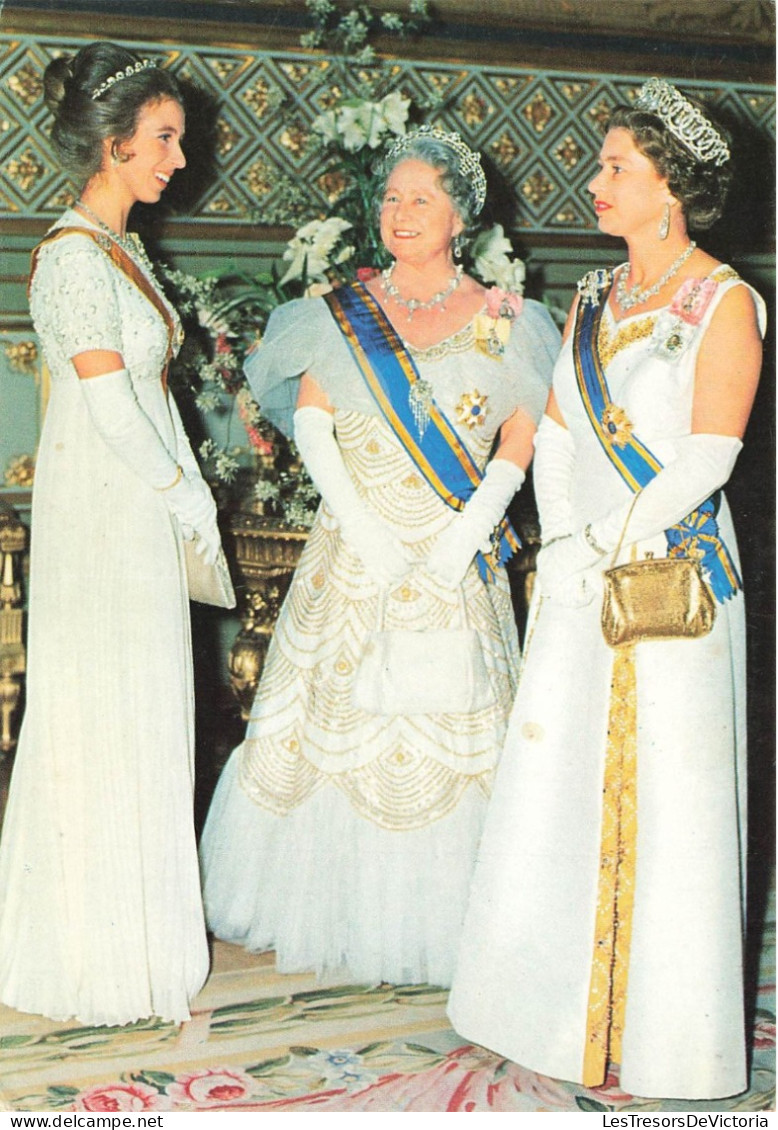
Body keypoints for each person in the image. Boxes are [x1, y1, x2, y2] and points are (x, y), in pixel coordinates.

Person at [447, 79, 766, 1100]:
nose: (593, 182)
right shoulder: (591, 299)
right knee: (561, 782)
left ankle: (666, 1035)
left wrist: (608, 536)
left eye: (615, 168)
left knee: (668, 802)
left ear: (669, 190)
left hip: (669, 581)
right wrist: (561, 537)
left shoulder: (725, 300)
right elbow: (553, 432)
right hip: (583, 571)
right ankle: (543, 1011)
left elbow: (710, 453)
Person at [199, 126, 560, 987]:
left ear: (461, 217)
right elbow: (315, 424)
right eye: (391, 197)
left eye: (421, 199)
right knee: (335, 730)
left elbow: (521, 440)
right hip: (354, 555)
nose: (400, 213)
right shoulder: (340, 312)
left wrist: (459, 542)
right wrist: (367, 534)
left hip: (453, 554)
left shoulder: (513, 321)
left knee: (448, 731)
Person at [0, 42, 223, 1026]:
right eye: (164, 139)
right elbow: (106, 400)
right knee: (102, 719)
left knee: (146, 718)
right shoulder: (71, 255)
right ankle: (86, 959)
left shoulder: (123, 247)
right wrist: (185, 493)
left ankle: (142, 949)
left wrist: (176, 494)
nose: (178, 157)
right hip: (107, 515)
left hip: (134, 511)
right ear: (111, 141)